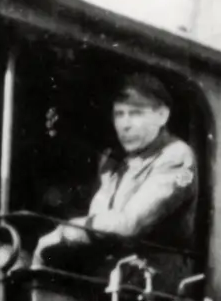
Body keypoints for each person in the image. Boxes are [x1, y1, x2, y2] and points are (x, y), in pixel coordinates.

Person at [32, 73, 198, 272]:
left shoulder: (176, 156)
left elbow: (129, 224)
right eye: (119, 114)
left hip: (151, 280)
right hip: (113, 274)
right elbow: (99, 219)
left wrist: (66, 231)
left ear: (162, 115)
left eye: (136, 113)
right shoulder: (117, 162)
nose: (125, 125)